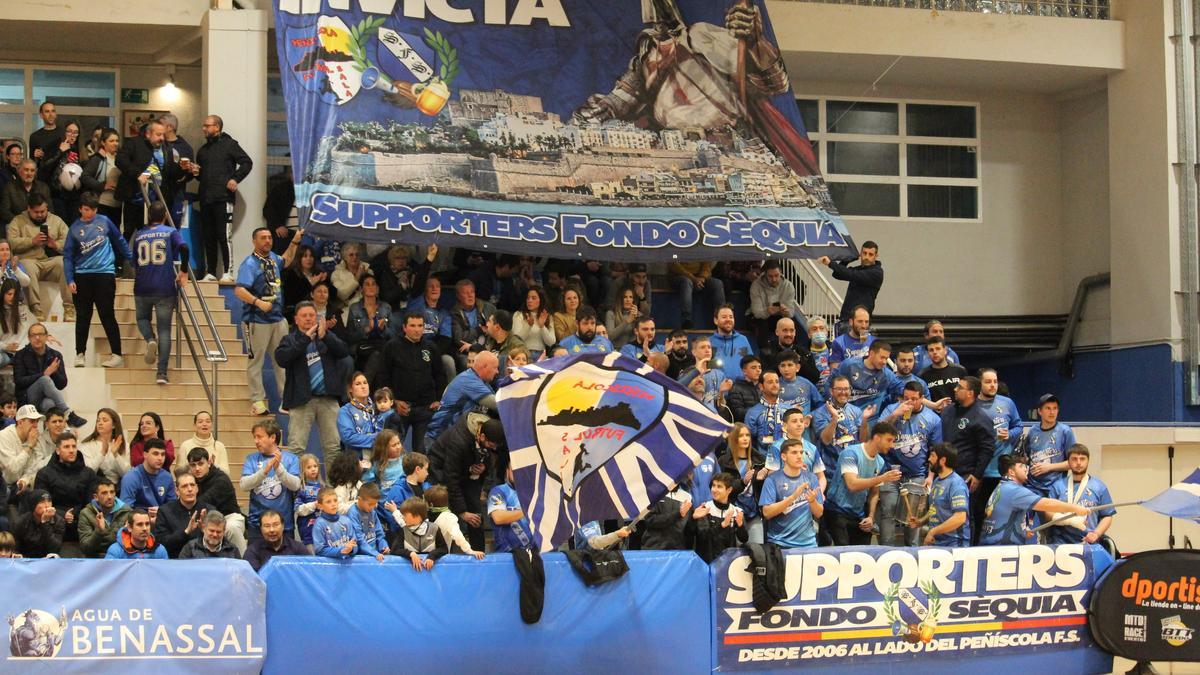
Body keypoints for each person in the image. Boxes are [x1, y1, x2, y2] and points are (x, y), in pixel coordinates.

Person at [236, 226, 300, 416]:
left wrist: (295, 241)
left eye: (270, 237)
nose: (268, 241)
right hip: (256, 320)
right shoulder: (249, 264)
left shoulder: (272, 258)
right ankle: (257, 400)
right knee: (256, 361)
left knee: (283, 361)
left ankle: (286, 400)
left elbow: (286, 260)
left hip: (278, 319)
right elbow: (239, 290)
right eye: (263, 238)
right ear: (254, 241)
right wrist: (257, 302)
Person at [65, 192, 132, 368]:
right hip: (82, 276)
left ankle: (117, 354)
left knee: (107, 314)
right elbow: (68, 256)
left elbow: (119, 240)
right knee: (83, 317)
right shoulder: (74, 229)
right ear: (80, 209)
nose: (90, 213)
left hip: (104, 274)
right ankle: (80, 354)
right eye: (87, 209)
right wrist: (70, 278)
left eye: (93, 209)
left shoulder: (105, 221)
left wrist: (131, 260)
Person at [276, 301, 348, 459]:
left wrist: (326, 336)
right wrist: (305, 340)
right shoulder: (289, 339)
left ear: (317, 317)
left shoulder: (326, 336)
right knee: (296, 448)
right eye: (304, 315)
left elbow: (344, 351)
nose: (308, 318)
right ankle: (293, 484)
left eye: (311, 315)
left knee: (333, 448)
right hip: (301, 400)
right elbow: (281, 359)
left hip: (328, 399)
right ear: (296, 319)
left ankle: (333, 484)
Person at [874, 381, 942, 546]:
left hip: (917, 475)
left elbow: (935, 451)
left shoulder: (933, 419)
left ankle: (912, 552)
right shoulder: (892, 409)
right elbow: (877, 433)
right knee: (887, 512)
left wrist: (931, 476)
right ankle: (885, 553)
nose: (909, 403)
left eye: (913, 399)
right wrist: (894, 415)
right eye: (905, 398)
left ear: (922, 399)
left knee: (912, 517)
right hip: (890, 471)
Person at [428, 413, 507, 551]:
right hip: (441, 470)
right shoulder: (459, 441)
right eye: (491, 444)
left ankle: (479, 554)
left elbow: (488, 455)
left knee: (476, 516)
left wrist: (483, 467)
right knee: (450, 517)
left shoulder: (489, 431)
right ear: (481, 436)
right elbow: (450, 478)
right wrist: (462, 512)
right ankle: (446, 554)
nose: (493, 448)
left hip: (467, 472)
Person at [131, 202, 188, 383]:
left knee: (142, 319)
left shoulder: (139, 235)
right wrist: (184, 270)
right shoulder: (170, 232)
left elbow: (133, 262)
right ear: (164, 215)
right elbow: (185, 248)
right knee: (164, 329)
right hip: (164, 287)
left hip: (142, 286)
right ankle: (162, 373)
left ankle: (149, 339)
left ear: (149, 216)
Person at [191, 115, 252, 282]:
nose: (204, 128)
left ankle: (228, 271)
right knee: (208, 236)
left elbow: (247, 162)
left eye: (207, 125)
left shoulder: (230, 144)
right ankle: (210, 272)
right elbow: (202, 176)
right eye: (204, 125)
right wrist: (196, 172)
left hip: (224, 198)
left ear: (217, 127)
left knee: (223, 235)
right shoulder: (202, 151)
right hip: (205, 198)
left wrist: (235, 179)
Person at [980, 454, 1089, 546]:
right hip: (1002, 549)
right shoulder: (1013, 490)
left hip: (993, 546)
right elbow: (1046, 504)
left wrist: (1020, 530)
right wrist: (1075, 508)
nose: (1026, 469)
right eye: (1021, 466)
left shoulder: (1001, 487)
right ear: (1011, 472)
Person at [823, 422, 901, 546]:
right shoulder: (851, 453)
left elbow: (874, 493)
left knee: (861, 554)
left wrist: (870, 516)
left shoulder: (880, 462)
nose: (892, 445)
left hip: (858, 514)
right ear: (876, 438)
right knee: (843, 555)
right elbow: (852, 484)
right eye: (889, 440)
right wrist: (882, 478)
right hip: (837, 510)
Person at [940, 376, 996, 528]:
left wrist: (977, 474)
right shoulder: (948, 411)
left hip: (965, 476)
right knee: (941, 514)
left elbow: (988, 448)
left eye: (959, 387)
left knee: (963, 517)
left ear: (970, 393)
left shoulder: (980, 417)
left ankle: (965, 549)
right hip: (943, 473)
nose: (955, 389)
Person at [976, 368, 1022, 545]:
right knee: (980, 514)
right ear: (980, 384)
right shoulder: (973, 405)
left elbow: (1018, 427)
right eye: (988, 382)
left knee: (1003, 513)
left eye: (995, 381)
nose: (992, 385)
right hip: (981, 471)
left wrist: (1009, 434)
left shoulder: (1007, 403)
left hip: (1002, 472)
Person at [7, 193, 70, 323]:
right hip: (29, 261)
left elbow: (70, 242)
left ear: (47, 208)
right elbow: (11, 242)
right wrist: (32, 241)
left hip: (49, 262)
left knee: (65, 263)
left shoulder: (56, 221)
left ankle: (69, 308)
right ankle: (36, 308)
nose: (40, 214)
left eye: (43, 211)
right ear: (29, 208)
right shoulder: (18, 221)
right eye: (36, 212)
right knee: (27, 265)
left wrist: (55, 244)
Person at [114, 119, 176, 242]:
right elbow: (120, 159)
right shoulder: (134, 143)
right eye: (158, 135)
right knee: (127, 232)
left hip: (156, 201)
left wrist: (183, 169)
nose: (162, 138)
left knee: (151, 234)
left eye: (163, 134)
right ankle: (122, 260)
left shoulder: (167, 148)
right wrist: (137, 174)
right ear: (148, 134)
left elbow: (169, 172)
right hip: (134, 198)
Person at [240, 419, 301, 540]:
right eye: (254, 437)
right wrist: (264, 471)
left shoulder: (291, 459)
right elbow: (244, 485)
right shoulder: (251, 459)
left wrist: (279, 469)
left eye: (259, 437)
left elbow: (296, 485)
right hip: (257, 525)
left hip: (284, 525)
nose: (255, 441)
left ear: (272, 437)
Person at [12, 323, 83, 426]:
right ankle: (68, 414)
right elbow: (19, 381)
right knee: (44, 379)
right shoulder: (21, 355)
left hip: (46, 398)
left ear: (46, 336)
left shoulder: (55, 355)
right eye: (33, 335)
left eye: (40, 334)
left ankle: (49, 437)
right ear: (29, 338)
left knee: (50, 404)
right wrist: (44, 374)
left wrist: (54, 372)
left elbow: (62, 384)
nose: (37, 338)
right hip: (27, 397)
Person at [760, 439, 825, 549]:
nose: (799, 456)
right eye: (794, 453)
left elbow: (819, 513)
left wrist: (813, 501)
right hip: (780, 544)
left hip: (808, 544)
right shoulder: (772, 480)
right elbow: (767, 512)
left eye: (801, 452)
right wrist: (793, 497)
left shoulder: (811, 478)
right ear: (783, 457)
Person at [1046, 444, 1116, 545]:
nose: (1078, 463)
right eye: (1074, 459)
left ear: (1088, 461)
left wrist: (1096, 534)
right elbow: (1048, 513)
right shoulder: (1057, 486)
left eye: (1082, 459)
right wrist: (1069, 521)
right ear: (1068, 462)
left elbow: (1107, 515)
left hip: (1089, 543)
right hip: (1060, 544)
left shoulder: (1099, 487)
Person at [424, 350, 499, 443]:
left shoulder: (480, 381)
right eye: (495, 368)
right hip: (439, 439)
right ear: (485, 367)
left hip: (451, 438)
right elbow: (499, 405)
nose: (497, 371)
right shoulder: (469, 381)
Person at [187, 446, 246, 554]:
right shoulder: (191, 480)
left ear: (209, 462)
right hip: (205, 518)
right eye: (193, 465)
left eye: (200, 464)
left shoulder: (221, 479)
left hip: (229, 516)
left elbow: (204, 501)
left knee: (231, 528)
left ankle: (245, 561)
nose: (197, 468)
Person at [34, 430, 95, 530]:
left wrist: (75, 513)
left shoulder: (89, 473)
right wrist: (62, 514)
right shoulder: (44, 474)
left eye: (74, 446)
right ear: (57, 451)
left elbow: (91, 502)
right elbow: (41, 504)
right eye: (66, 447)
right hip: (52, 523)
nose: (71, 450)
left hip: (82, 523)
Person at [912, 443, 971, 547]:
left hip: (954, 544)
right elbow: (934, 509)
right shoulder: (937, 480)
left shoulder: (957, 484)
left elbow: (960, 518)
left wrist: (932, 531)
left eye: (933, 456)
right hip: (937, 542)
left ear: (943, 460)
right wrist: (921, 521)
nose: (929, 459)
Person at [1020, 393, 1076, 497]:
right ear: (1040, 411)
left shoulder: (1065, 431)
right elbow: (1027, 458)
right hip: (1032, 486)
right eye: (1048, 408)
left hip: (1055, 486)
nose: (1052, 412)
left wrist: (1049, 467)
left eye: (1055, 408)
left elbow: (1073, 463)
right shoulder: (1033, 431)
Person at [818, 240, 883, 323]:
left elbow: (851, 274)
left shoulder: (877, 273)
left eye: (870, 254)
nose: (866, 257)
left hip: (861, 322)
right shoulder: (858, 269)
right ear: (860, 254)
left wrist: (830, 263)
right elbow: (837, 274)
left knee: (862, 336)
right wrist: (848, 259)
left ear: (876, 256)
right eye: (864, 253)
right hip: (846, 319)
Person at [812, 375, 865, 475]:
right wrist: (834, 419)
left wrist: (865, 421)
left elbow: (863, 441)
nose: (843, 392)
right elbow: (825, 440)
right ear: (831, 391)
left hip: (854, 467)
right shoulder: (820, 413)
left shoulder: (856, 410)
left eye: (846, 389)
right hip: (831, 469)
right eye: (839, 389)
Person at [154, 468, 213, 558]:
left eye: (192, 485)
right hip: (175, 561)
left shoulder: (209, 511)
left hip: (204, 560)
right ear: (177, 491)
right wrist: (185, 532)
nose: (189, 489)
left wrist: (204, 531)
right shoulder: (165, 511)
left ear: (197, 488)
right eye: (184, 486)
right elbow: (161, 544)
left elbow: (219, 541)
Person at [692, 471, 748, 563]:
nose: (714, 490)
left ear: (729, 490)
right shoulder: (705, 508)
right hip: (705, 562)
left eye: (719, 487)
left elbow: (744, 539)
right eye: (713, 486)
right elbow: (703, 537)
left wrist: (740, 526)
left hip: (727, 564)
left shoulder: (736, 511)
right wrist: (722, 525)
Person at [831, 341, 900, 413]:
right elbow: (830, 383)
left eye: (886, 358)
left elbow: (901, 388)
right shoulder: (849, 365)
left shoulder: (887, 374)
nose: (884, 362)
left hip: (871, 419)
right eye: (882, 357)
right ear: (871, 353)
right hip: (846, 415)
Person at [346, 274, 394, 374]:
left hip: (381, 345)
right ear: (361, 289)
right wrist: (366, 329)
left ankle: (366, 382)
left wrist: (383, 329)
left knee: (379, 353)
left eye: (373, 284)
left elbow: (394, 335)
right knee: (378, 354)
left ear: (377, 288)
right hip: (363, 346)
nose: (371, 287)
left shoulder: (386, 307)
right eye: (367, 284)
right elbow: (349, 337)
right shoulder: (354, 308)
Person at [443, 279, 496, 369]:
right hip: (465, 353)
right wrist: (478, 330)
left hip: (488, 347)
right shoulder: (454, 314)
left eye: (472, 292)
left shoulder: (487, 308)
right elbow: (459, 339)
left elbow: (497, 329)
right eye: (465, 293)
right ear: (458, 296)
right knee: (468, 362)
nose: (470, 295)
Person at [749, 260, 806, 340]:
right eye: (770, 276)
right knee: (761, 323)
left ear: (781, 273)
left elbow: (791, 312)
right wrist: (767, 311)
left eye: (776, 275)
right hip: (763, 317)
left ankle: (795, 348)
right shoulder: (756, 286)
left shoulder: (788, 286)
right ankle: (765, 350)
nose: (774, 279)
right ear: (765, 275)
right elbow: (757, 313)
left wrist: (785, 312)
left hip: (780, 316)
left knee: (793, 323)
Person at [119, 439, 175, 518]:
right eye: (155, 454)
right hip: (138, 522)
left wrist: (160, 513)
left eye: (163, 454)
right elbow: (125, 510)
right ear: (145, 455)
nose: (160, 458)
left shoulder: (167, 477)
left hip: (161, 520)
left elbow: (172, 506)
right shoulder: (131, 477)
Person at [77, 477, 131, 558]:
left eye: (112, 492)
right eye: (104, 493)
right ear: (96, 497)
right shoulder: (86, 514)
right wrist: (99, 532)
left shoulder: (127, 512)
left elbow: (131, 544)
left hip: (120, 557)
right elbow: (86, 548)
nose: (109, 497)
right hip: (96, 558)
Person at [79, 128, 123, 225]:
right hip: (102, 203)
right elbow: (84, 176)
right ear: (103, 142)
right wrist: (102, 185)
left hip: (118, 205)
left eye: (117, 141)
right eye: (111, 141)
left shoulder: (121, 158)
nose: (115, 143)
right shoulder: (98, 158)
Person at [337, 372, 384, 460]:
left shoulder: (379, 407)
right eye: (358, 384)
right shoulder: (345, 411)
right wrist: (377, 439)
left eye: (365, 383)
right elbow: (348, 437)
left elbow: (389, 431)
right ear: (350, 389)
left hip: (380, 459)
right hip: (356, 461)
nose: (363, 386)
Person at [488, 465, 535, 553]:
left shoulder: (537, 493)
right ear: (507, 471)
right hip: (507, 553)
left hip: (536, 553)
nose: (518, 473)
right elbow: (498, 518)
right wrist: (530, 510)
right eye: (514, 470)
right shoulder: (498, 491)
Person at [243, 509, 307, 571]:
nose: (272, 530)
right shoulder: (253, 551)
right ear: (261, 529)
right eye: (267, 526)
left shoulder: (298, 548)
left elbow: (308, 573)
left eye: (276, 525)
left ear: (283, 526)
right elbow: (252, 578)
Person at [0, 404, 43, 498]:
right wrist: (29, 446)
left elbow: (34, 468)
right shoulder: (4, 436)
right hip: (3, 485)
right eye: (32, 421)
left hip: (16, 485)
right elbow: (13, 468)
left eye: (37, 421)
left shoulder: (33, 439)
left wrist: (24, 480)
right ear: (20, 423)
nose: (36, 425)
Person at [395, 497, 449, 570]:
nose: (403, 518)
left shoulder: (434, 528)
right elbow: (395, 550)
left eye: (405, 515)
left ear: (417, 516)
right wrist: (411, 554)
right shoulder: (402, 530)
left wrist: (432, 557)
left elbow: (444, 549)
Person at [668, 260, 724, 330]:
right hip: (679, 276)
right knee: (687, 282)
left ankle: (722, 317)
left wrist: (702, 277)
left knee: (717, 284)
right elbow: (673, 265)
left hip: (699, 277)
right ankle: (686, 320)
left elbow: (706, 264)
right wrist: (693, 278)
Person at [0, 161, 53, 233]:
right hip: (17, 225)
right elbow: (5, 211)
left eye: (32, 170)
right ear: (19, 171)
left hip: (39, 223)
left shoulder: (43, 187)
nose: (29, 173)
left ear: (35, 172)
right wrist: (22, 222)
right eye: (26, 170)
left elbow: (50, 210)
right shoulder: (9, 187)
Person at [640, 481, 693, 550]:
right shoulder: (653, 492)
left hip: (677, 550)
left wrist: (694, 519)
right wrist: (678, 514)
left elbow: (688, 529)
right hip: (654, 548)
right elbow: (650, 520)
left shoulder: (687, 496)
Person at [282, 245, 327, 323]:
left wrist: (325, 282)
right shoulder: (291, 274)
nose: (309, 259)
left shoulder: (319, 273)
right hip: (297, 312)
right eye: (305, 256)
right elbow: (292, 298)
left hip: (320, 310)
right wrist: (309, 284)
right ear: (299, 258)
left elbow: (333, 294)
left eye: (311, 256)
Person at [710, 304, 754, 383]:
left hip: (742, 389)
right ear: (715, 320)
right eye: (724, 317)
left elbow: (751, 364)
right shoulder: (709, 342)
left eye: (731, 317)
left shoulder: (743, 340)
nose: (728, 319)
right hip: (718, 389)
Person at [13, 490, 65, 557]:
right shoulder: (21, 522)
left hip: (48, 559)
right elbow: (15, 548)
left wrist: (45, 523)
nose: (47, 505)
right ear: (33, 505)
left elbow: (55, 549)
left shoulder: (59, 521)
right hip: (26, 560)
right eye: (42, 502)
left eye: (49, 501)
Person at [346, 482, 389, 561]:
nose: (372, 507)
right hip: (360, 558)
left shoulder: (372, 512)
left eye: (375, 504)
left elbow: (379, 534)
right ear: (359, 499)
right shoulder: (353, 514)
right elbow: (359, 540)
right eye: (370, 504)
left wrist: (383, 546)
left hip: (375, 555)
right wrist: (374, 553)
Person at [311, 487, 358, 560]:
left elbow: (355, 543)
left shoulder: (346, 520)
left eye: (335, 500)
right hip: (329, 567)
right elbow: (320, 550)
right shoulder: (319, 524)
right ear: (320, 506)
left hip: (347, 564)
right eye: (328, 502)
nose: (333, 504)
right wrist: (340, 551)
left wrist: (351, 549)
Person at [917, 337, 967, 404]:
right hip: (934, 413)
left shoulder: (960, 370)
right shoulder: (922, 375)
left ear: (945, 350)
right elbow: (920, 399)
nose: (935, 352)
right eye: (931, 350)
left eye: (938, 349)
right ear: (928, 353)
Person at [744, 372, 785, 452]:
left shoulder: (789, 409)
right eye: (770, 382)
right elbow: (749, 441)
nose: (775, 385)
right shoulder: (752, 413)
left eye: (777, 382)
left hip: (788, 460)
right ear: (761, 386)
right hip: (763, 461)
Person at [512, 286, 555, 359]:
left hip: (541, 355)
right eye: (528, 298)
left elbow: (551, 342)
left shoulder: (547, 316)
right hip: (523, 355)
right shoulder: (519, 315)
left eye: (533, 298)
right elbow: (516, 339)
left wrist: (542, 327)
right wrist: (528, 326)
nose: (529, 300)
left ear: (541, 300)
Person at [776, 351, 824, 416]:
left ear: (797, 367)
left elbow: (820, 403)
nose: (786, 369)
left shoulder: (806, 383)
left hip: (805, 424)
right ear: (779, 368)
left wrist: (812, 416)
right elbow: (771, 407)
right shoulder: (775, 385)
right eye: (783, 366)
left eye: (790, 365)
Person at [828, 306, 874, 371]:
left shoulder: (874, 342)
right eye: (860, 321)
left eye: (866, 322)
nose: (864, 326)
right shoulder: (839, 342)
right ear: (851, 322)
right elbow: (835, 372)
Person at [28, 103, 64, 182]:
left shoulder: (63, 133)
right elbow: (32, 164)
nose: (51, 115)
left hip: (61, 178)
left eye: (53, 111)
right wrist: (35, 157)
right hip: (44, 179)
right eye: (47, 111)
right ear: (41, 115)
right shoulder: (35, 136)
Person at [293, 453, 323, 547]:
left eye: (315, 466)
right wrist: (314, 505)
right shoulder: (301, 488)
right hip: (306, 527)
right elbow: (298, 509)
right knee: (311, 552)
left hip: (322, 528)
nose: (313, 469)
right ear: (302, 470)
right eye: (309, 467)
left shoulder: (323, 487)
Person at [726, 355, 763, 423]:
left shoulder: (762, 387)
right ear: (744, 371)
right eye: (753, 367)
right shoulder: (736, 389)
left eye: (759, 367)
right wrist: (760, 412)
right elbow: (738, 413)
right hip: (745, 428)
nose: (758, 370)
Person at [605, 285, 641, 350]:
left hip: (633, 350)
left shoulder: (638, 315)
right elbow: (610, 336)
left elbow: (642, 336)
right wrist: (626, 322)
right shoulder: (611, 314)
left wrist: (637, 320)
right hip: (616, 349)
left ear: (633, 300)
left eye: (630, 297)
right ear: (620, 299)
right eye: (625, 297)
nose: (628, 300)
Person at [806, 318, 833, 389]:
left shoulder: (835, 349)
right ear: (809, 334)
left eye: (821, 328)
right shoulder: (803, 353)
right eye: (814, 329)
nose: (818, 332)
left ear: (827, 332)